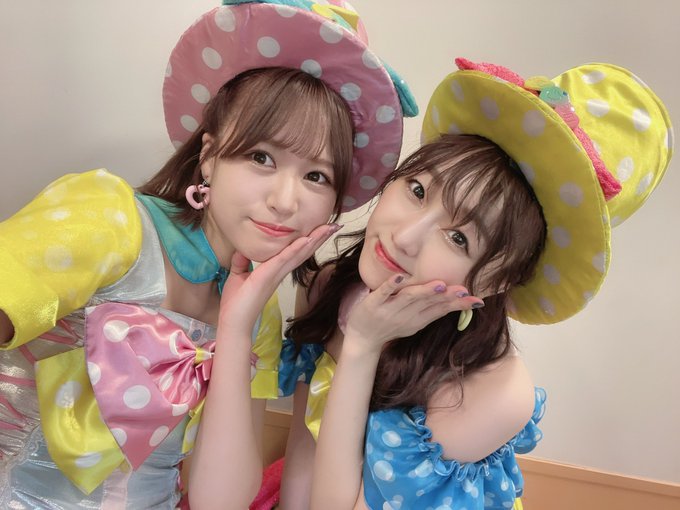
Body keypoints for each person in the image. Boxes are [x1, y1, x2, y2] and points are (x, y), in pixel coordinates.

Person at [0, 1, 417, 508]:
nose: (286, 200)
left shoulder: (259, 307)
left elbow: (220, 500)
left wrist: (236, 328)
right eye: (262, 157)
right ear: (209, 156)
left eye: (316, 176)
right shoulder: (108, 217)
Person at [271, 57, 673, 509]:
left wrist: (363, 345)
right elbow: (301, 452)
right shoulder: (329, 286)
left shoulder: (494, 391)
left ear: (500, 278)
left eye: (459, 237)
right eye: (418, 190)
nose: (404, 237)